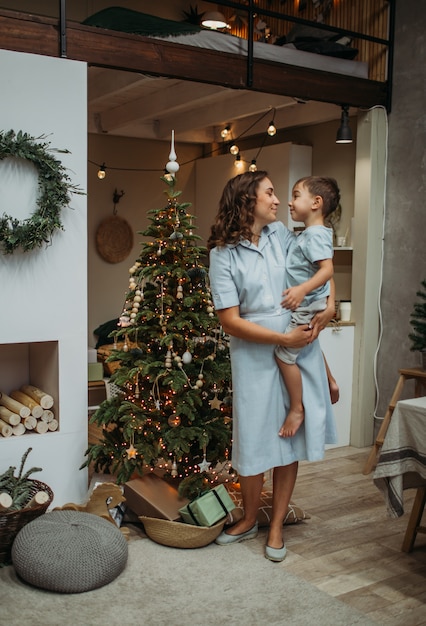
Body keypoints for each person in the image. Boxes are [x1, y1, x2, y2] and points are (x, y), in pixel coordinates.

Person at [207, 170, 337, 562]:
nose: (277, 200)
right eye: (270, 193)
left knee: (288, 441)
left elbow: (319, 271)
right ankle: (249, 519)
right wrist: (282, 340)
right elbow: (229, 321)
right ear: (248, 200)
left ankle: (276, 525)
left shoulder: (283, 235)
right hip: (255, 353)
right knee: (252, 439)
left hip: (299, 349)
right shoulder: (221, 254)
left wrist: (329, 311)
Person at [275, 176, 339, 439]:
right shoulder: (310, 234)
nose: (289, 202)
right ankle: (330, 381)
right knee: (309, 342)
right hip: (313, 303)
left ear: (316, 202)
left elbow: (328, 270)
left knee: (283, 354)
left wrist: (301, 290)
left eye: (295, 195)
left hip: (307, 304)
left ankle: (297, 408)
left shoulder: (314, 235)